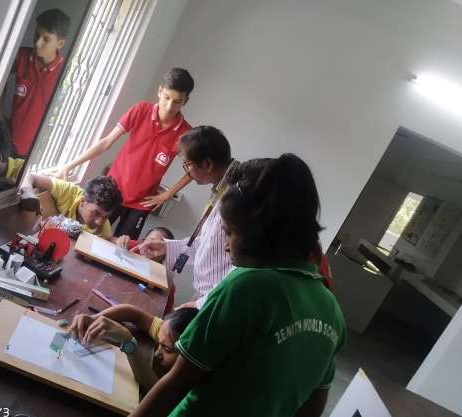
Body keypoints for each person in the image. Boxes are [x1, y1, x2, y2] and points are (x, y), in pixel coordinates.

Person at [129, 154, 347, 417]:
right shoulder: (331, 309)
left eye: (230, 232)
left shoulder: (244, 286)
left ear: (261, 233)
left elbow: (177, 383)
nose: (225, 245)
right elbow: (312, 405)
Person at [55, 68, 196, 239]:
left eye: (177, 102)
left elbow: (195, 169)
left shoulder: (185, 134)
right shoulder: (141, 110)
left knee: (120, 248)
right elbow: (106, 142)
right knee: (84, 236)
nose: (169, 106)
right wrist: (69, 166)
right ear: (160, 91)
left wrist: (167, 194)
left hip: (141, 203)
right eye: (166, 97)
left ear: (186, 101)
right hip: (112, 192)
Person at [132, 126, 238, 309]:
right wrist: (166, 247)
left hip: (217, 299)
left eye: (187, 164)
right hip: (209, 296)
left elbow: (241, 265)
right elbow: (209, 244)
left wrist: (200, 304)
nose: (187, 171)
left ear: (207, 164)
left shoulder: (236, 197)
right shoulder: (222, 189)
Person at [68, 304, 198, 393]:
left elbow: (156, 392)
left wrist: (129, 343)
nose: (157, 353)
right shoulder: (169, 332)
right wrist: (95, 320)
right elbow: (135, 314)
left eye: (167, 350)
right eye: (159, 342)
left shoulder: (193, 381)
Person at [0, 9, 71, 156]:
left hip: (37, 153)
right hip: (7, 142)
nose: (37, 43)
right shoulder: (21, 57)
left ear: (61, 43)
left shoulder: (65, 73)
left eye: (46, 39)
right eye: (37, 35)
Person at [21, 174, 121, 240]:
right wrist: (27, 192)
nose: (99, 222)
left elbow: (108, 240)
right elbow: (31, 177)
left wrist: (118, 241)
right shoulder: (68, 192)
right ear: (82, 202)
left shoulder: (104, 226)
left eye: (106, 216)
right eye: (96, 213)